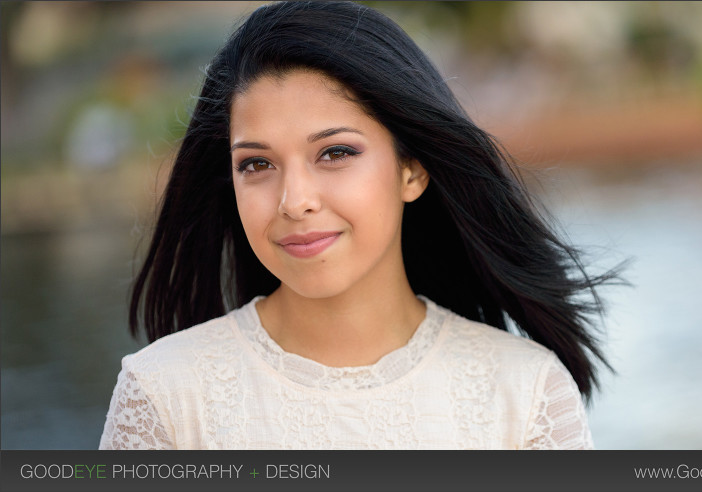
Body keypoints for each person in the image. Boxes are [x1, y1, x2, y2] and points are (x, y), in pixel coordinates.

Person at [100, 0, 623, 450]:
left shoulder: (525, 392)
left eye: (334, 152)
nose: (294, 201)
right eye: (256, 164)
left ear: (411, 168)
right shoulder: (163, 397)